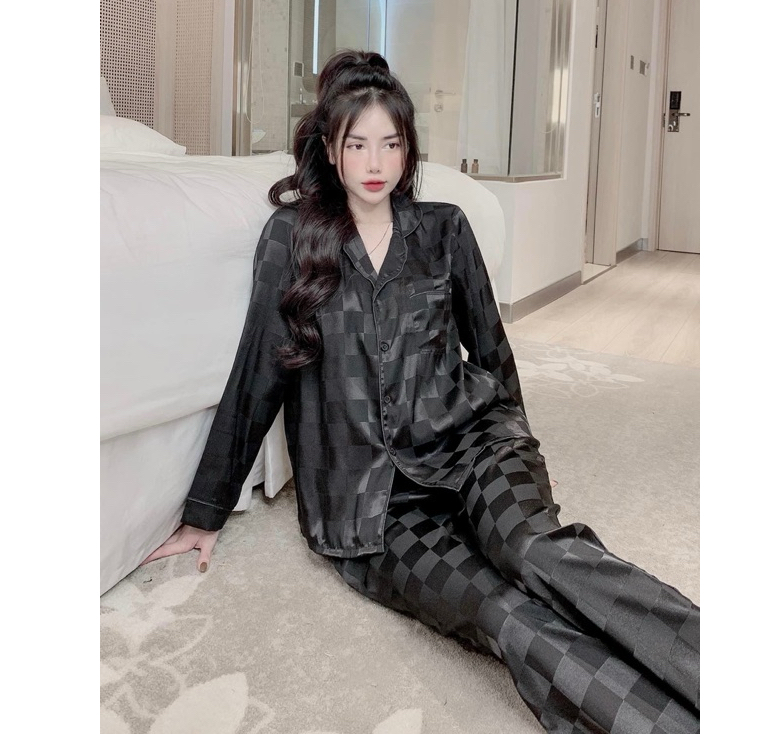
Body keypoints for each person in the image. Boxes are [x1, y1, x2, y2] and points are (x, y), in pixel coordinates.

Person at [144, 50, 700, 734]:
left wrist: (523, 447)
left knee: (537, 552)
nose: (375, 162)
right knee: (502, 611)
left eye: (391, 143)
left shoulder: (445, 228)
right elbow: (258, 372)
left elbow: (490, 347)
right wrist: (206, 509)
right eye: (357, 144)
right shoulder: (292, 238)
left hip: (474, 444)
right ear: (330, 149)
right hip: (370, 501)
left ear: (408, 149)